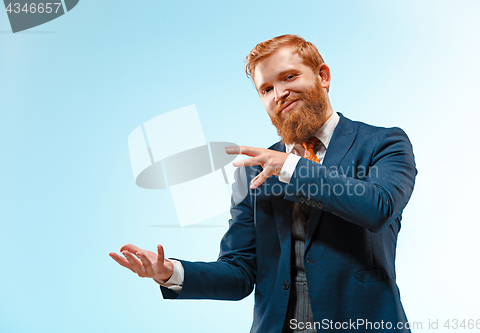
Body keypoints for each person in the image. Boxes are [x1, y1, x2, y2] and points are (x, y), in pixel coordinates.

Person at [110, 34, 417, 333]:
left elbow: (378, 207)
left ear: (323, 76)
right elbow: (240, 271)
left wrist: (290, 167)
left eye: (289, 77)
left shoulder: (383, 143)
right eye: (266, 89)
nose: (279, 93)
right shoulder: (252, 172)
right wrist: (172, 272)